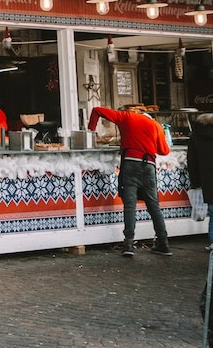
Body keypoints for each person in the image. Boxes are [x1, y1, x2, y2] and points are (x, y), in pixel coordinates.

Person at [88, 105, 171, 257]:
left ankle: (128, 245)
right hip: (149, 167)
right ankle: (163, 244)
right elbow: (164, 151)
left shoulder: (127, 117)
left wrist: (90, 133)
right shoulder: (155, 125)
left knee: (130, 205)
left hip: (131, 164)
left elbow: (97, 110)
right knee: (154, 206)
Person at [186, 112, 213, 249]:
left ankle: (212, 244)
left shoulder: (195, 137)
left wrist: (195, 182)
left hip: (207, 180)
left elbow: (192, 162)